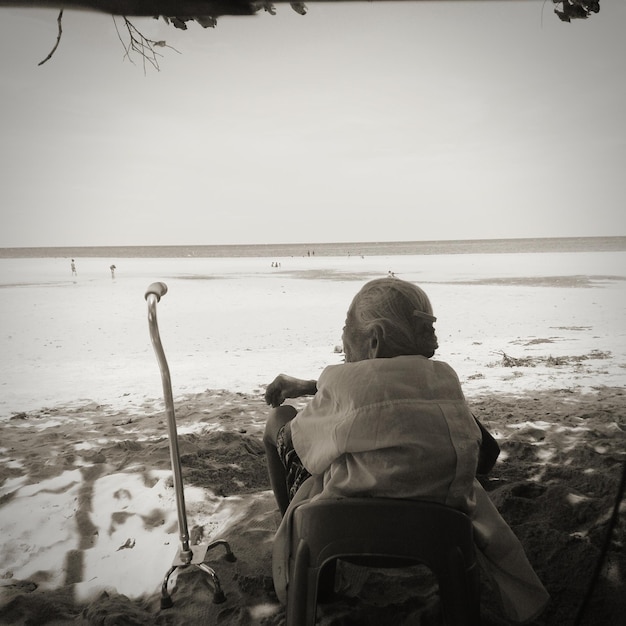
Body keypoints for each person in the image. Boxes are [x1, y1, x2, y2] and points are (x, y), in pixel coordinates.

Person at [264, 277, 549, 623]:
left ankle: (305, 561)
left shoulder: (341, 380)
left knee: (280, 424)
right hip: (437, 529)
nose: (344, 354)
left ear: (373, 340)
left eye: (345, 341)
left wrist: (309, 399)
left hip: (342, 529)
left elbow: (306, 445)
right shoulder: (445, 380)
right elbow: (486, 454)